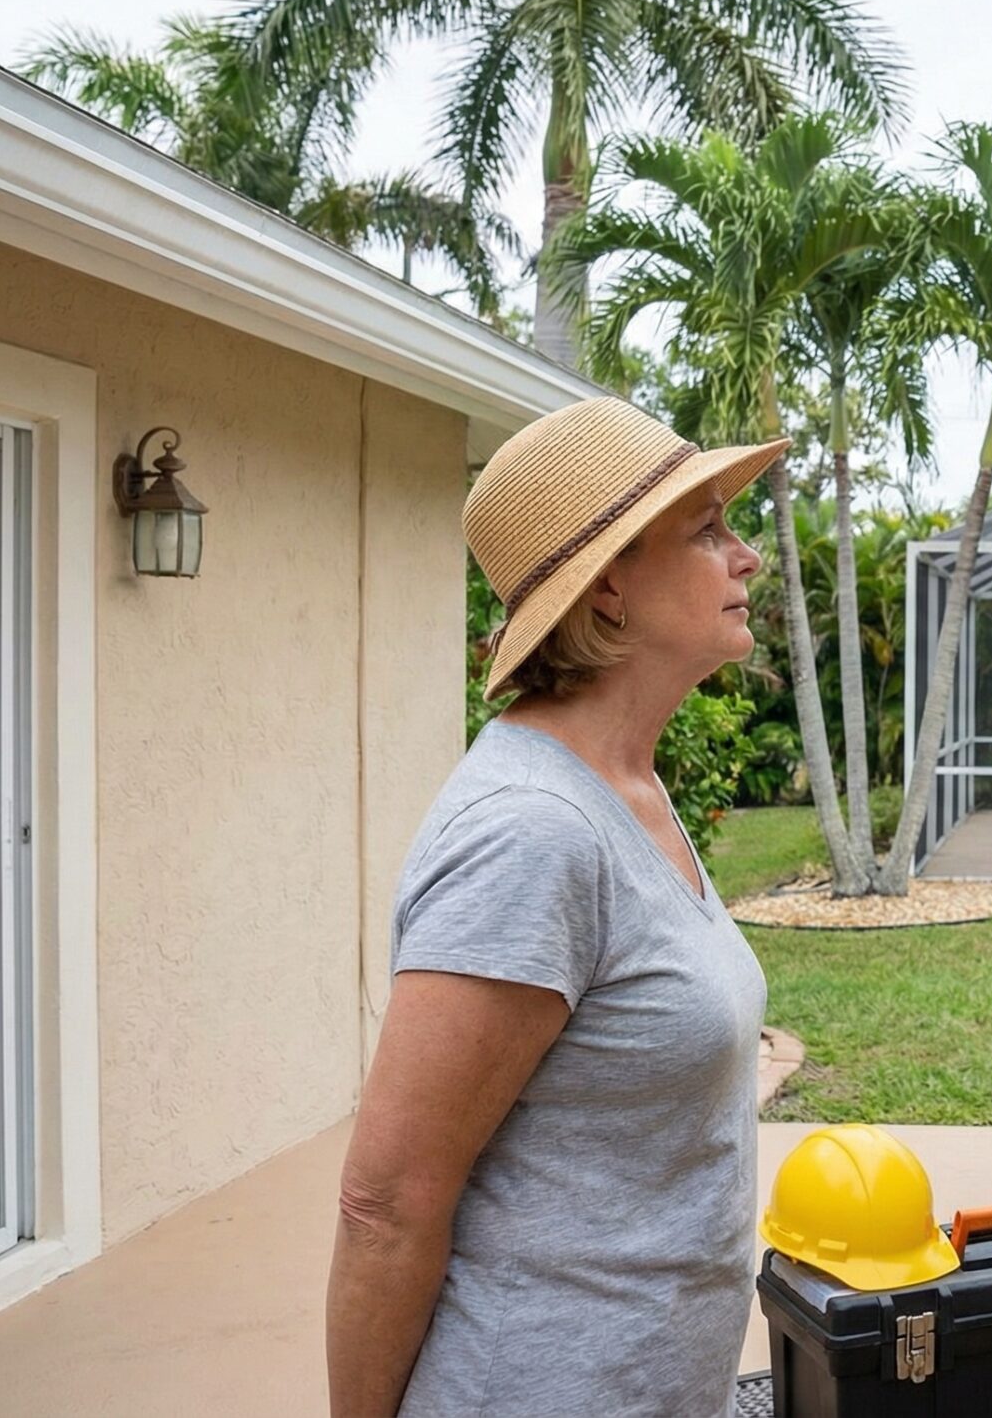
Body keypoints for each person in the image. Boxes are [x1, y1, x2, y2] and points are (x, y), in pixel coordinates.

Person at [326, 396, 786, 1417]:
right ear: (609, 584)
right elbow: (385, 1204)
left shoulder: (627, 784)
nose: (745, 555)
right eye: (706, 529)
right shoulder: (531, 830)